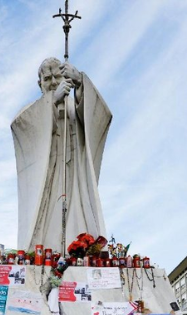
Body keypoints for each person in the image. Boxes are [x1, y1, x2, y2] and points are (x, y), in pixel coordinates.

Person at [12, 57, 112, 252]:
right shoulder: (33, 112)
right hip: (48, 177)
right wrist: (51, 102)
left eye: (57, 77)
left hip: (74, 175)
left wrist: (81, 82)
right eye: (47, 78)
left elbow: (101, 115)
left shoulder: (76, 109)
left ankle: (79, 247)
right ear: (39, 83)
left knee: (76, 215)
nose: (53, 82)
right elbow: (19, 126)